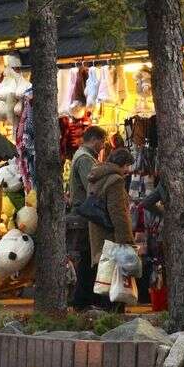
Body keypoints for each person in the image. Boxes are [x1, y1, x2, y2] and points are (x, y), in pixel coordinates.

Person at [82, 145, 134, 310]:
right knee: (115, 277)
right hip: (112, 235)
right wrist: (126, 240)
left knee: (103, 274)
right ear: (123, 164)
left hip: (97, 232)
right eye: (127, 166)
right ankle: (113, 313)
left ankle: (105, 311)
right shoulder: (115, 181)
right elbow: (118, 213)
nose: (128, 170)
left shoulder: (96, 176)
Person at [66, 126, 107, 308]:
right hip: (85, 215)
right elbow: (92, 185)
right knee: (89, 257)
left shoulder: (81, 155)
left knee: (87, 257)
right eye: (103, 142)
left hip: (82, 213)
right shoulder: (85, 159)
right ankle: (83, 300)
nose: (103, 146)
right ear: (96, 139)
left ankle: (83, 299)